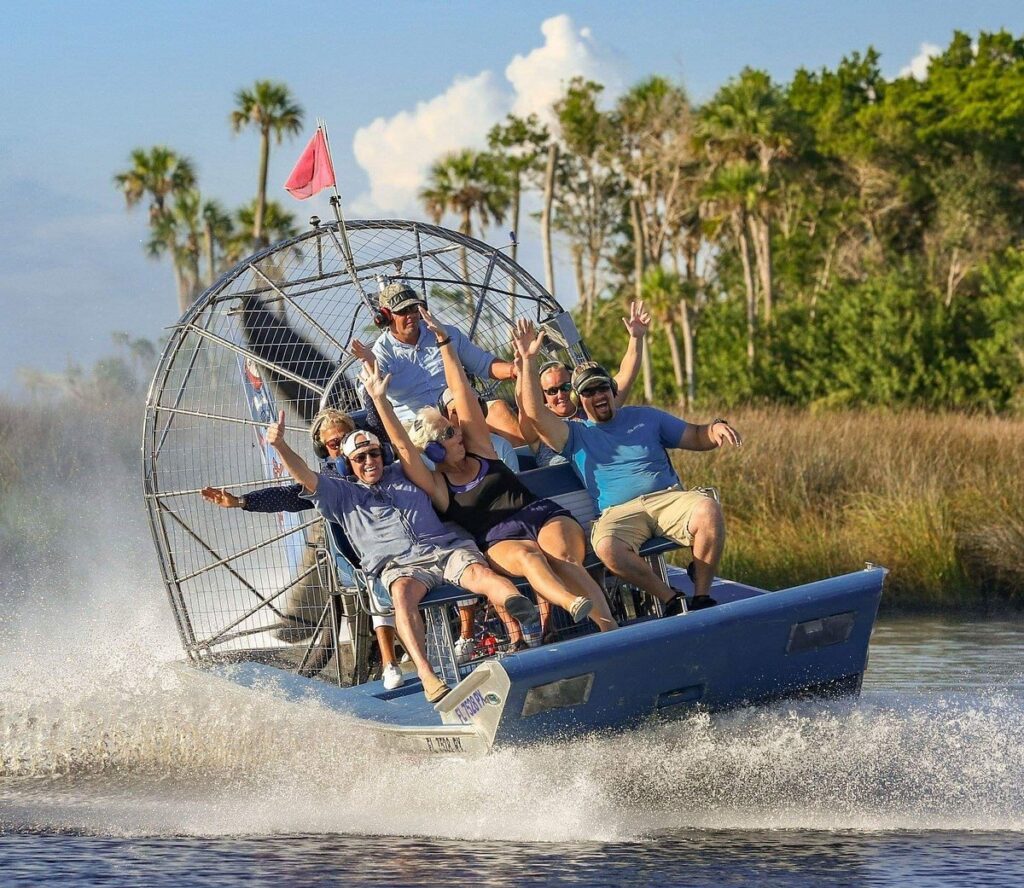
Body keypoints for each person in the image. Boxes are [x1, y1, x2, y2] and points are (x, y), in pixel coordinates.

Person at [363, 307, 618, 644]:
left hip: (540, 515)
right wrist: (380, 401)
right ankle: (571, 604)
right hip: (500, 539)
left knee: (564, 558)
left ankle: (609, 630)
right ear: (434, 450)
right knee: (529, 559)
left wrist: (444, 342)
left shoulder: (481, 449)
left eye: (454, 429)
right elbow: (403, 446)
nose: (458, 434)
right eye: (449, 434)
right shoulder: (438, 485)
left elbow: (463, 393)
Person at [264, 412, 540, 703]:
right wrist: (281, 446)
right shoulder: (340, 494)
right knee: (402, 595)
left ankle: (523, 613)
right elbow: (305, 476)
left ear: (382, 454)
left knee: (480, 574)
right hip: (401, 567)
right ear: (348, 464)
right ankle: (427, 675)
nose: (369, 461)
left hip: (443, 548)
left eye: (373, 454)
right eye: (360, 458)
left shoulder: (404, 471)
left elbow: (408, 444)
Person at [514, 320, 742, 614]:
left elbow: (697, 435)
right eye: (588, 392)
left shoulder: (645, 417)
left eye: (602, 389)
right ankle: (670, 598)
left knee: (708, 509)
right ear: (580, 400)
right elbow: (534, 413)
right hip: (618, 514)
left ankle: (701, 596)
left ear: (612, 390)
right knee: (607, 548)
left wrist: (716, 428)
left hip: (667, 498)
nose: (597, 396)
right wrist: (528, 361)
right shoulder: (574, 435)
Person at [201, 409, 407, 691]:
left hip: (406, 546)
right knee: (356, 611)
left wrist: (372, 371)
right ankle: (375, 666)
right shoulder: (329, 482)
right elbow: (289, 496)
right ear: (325, 450)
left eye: (348, 438)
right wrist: (241, 501)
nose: (346, 447)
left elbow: (379, 421)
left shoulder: (379, 460)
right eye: (335, 444)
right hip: (360, 560)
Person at [350, 281, 523, 443]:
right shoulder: (381, 353)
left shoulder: (445, 333)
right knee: (448, 416)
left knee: (498, 408)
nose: (411, 315)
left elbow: (484, 364)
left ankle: (533, 469)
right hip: (416, 425)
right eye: (403, 311)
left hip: (456, 409)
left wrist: (518, 370)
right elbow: (373, 397)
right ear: (386, 317)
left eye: (414, 308)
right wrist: (372, 365)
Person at [518, 301, 651, 467]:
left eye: (565, 387)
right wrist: (526, 361)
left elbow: (626, 375)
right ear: (543, 396)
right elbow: (527, 407)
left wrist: (636, 338)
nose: (560, 395)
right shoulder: (539, 425)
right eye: (552, 391)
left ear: (575, 389)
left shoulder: (594, 409)